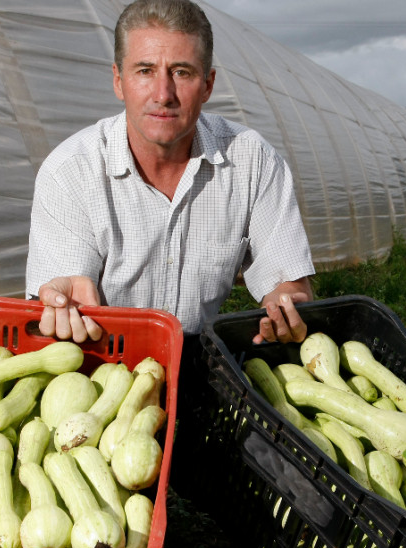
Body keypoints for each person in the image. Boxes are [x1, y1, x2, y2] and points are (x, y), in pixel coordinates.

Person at [25, 0, 315, 346]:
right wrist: (61, 306)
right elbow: (59, 304)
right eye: (145, 71)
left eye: (182, 72)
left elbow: (289, 286)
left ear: (207, 85)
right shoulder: (71, 171)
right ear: (119, 81)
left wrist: (285, 303)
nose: (163, 95)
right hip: (101, 360)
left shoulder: (253, 162)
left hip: (201, 359)